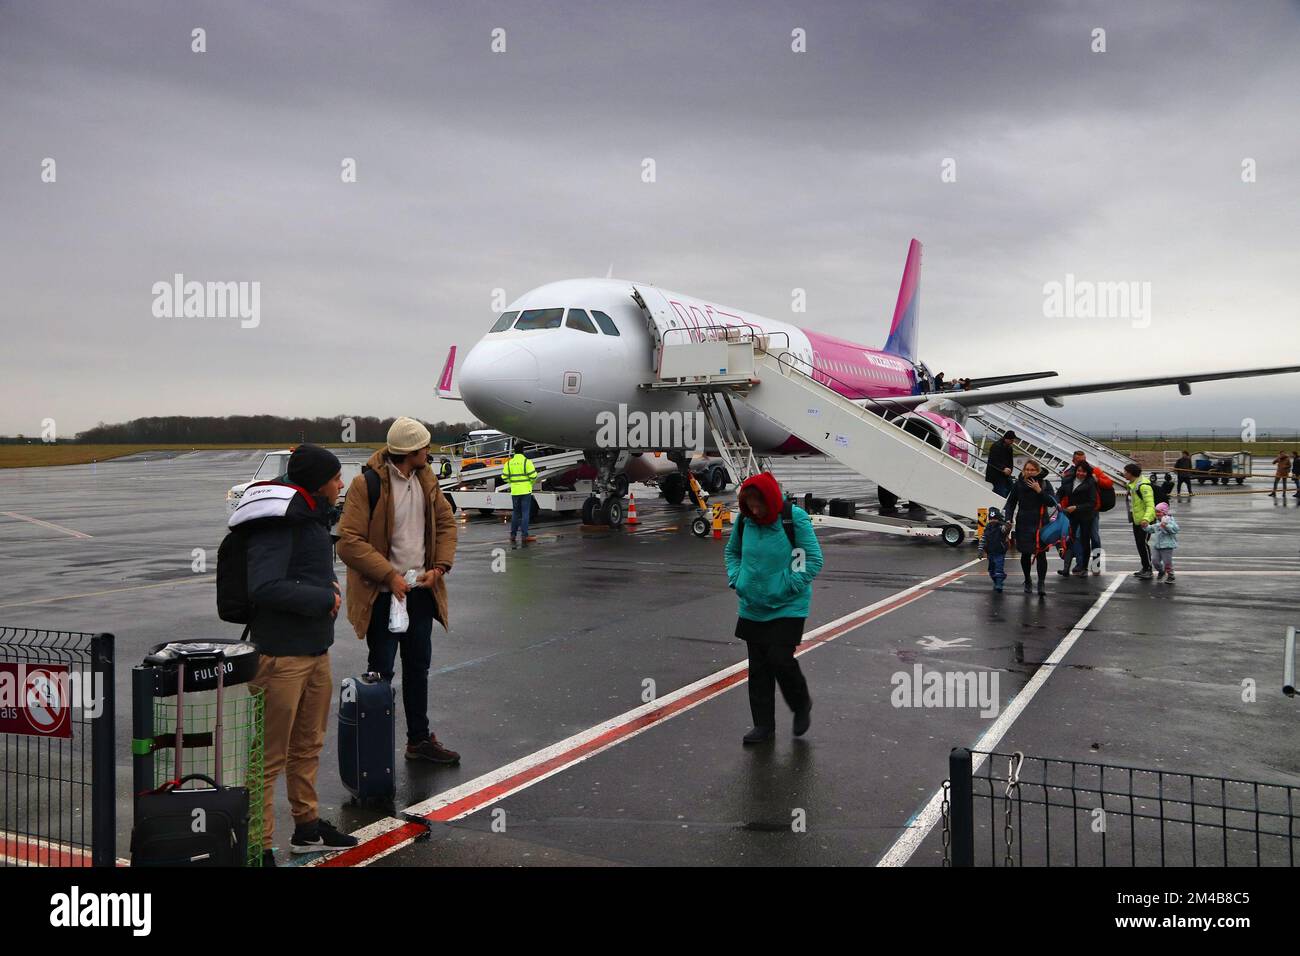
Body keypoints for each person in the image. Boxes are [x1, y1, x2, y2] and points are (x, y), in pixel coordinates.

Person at [234, 443, 359, 864]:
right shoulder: (280, 522)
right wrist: (322, 599)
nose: (341, 484)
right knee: (268, 759)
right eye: (337, 477)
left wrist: (330, 590)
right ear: (319, 482)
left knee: (307, 747)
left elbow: (306, 575)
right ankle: (259, 846)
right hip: (280, 658)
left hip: (313, 651)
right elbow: (264, 588)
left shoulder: (309, 515)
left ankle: (306, 829)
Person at [336, 417, 461, 764]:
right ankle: (374, 750)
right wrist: (389, 577)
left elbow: (446, 525)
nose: (429, 450)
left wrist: (439, 568)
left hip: (420, 592)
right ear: (411, 451)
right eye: (425, 446)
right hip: (383, 596)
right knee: (382, 672)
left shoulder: (427, 479)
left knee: (418, 667)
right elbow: (348, 543)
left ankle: (418, 741)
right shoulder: (367, 484)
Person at [724, 472, 823, 745]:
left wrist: (789, 585)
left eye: (759, 504)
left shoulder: (793, 519)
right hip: (753, 604)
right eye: (750, 505)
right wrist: (737, 578)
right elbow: (732, 553)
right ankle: (763, 725)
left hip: (788, 605)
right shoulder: (746, 521)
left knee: (780, 658)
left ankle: (801, 703)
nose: (755, 510)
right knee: (758, 668)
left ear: (770, 500)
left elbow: (811, 558)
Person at [1003, 459, 1056, 596]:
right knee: (1025, 554)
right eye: (1027, 469)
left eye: (1032, 470)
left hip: (1040, 523)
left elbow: (1052, 502)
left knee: (1041, 554)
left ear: (1037, 471)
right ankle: (1027, 580)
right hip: (1024, 522)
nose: (1029, 472)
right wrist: (1008, 518)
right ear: (1023, 471)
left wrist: (1039, 491)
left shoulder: (1045, 484)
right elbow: (1010, 503)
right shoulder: (1018, 484)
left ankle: (1041, 582)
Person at [1061, 462, 1097, 578]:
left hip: (1085, 515)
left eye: (1083, 471)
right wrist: (1056, 502)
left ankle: (1084, 567)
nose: (1080, 473)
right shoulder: (1069, 480)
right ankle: (1066, 568)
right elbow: (1060, 492)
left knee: (1085, 540)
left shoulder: (1090, 483)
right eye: (1079, 471)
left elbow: (1092, 503)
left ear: (1087, 473)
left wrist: (1076, 507)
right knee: (1069, 539)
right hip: (1071, 515)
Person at [1123, 463, 1156, 579]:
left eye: (1125, 472)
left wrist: (1146, 519)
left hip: (1145, 521)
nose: (1124, 473)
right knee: (1139, 544)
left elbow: (1150, 505)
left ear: (1131, 473)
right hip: (1137, 521)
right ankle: (1145, 567)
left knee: (1143, 543)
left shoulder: (1143, 486)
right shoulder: (1132, 485)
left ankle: (1148, 569)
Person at [502, 448, 539, 546]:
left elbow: (504, 477)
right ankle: (524, 535)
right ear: (523, 451)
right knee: (525, 513)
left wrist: (513, 482)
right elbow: (534, 476)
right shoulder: (527, 462)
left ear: (514, 451)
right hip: (525, 490)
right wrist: (530, 483)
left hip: (515, 491)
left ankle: (513, 535)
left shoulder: (509, 463)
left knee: (516, 513)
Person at [978, 507, 1009, 592]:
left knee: (999, 567)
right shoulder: (987, 528)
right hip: (990, 552)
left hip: (999, 552)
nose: (993, 521)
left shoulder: (1000, 527)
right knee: (991, 569)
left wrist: (1007, 524)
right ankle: (996, 581)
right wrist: (980, 550)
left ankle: (999, 583)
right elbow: (983, 539)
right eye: (991, 519)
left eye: (995, 519)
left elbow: (1005, 530)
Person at [1147, 501, 1179, 583]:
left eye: (1159, 512)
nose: (1157, 514)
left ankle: (1171, 575)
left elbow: (1175, 529)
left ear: (1164, 512)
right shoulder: (1158, 521)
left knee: (1167, 563)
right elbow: (1152, 529)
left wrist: (1166, 526)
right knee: (1155, 561)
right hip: (1157, 545)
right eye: (1156, 512)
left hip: (1167, 546)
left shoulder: (1169, 520)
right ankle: (1161, 571)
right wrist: (1145, 526)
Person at [984, 430, 1017, 498]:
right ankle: (998, 503)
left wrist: (1010, 470)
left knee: (1012, 487)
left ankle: (1004, 501)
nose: (1012, 442)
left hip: (1004, 474)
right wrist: (1003, 469)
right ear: (1006, 439)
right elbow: (993, 461)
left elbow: (1010, 461)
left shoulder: (1009, 448)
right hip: (995, 474)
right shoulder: (996, 446)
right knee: (1001, 493)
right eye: (1011, 440)